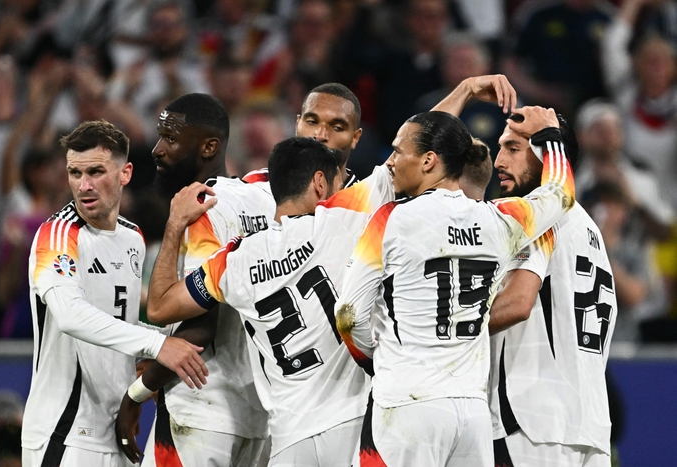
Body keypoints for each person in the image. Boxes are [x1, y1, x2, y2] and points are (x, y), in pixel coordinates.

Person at [334, 106, 575, 467]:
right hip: (472, 415)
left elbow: (348, 315)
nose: (391, 161)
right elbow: (561, 194)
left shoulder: (391, 218)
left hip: (406, 405)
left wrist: (376, 360)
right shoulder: (499, 220)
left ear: (429, 160)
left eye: (398, 151)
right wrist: (550, 137)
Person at [145, 137, 395, 466]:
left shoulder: (236, 260)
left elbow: (159, 308)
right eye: (337, 185)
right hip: (351, 424)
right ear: (320, 183)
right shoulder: (342, 220)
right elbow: (406, 157)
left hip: (288, 438)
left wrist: (175, 223)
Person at [21, 120, 208, 467]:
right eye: (75, 173)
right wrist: (157, 344)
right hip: (66, 432)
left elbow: (118, 320)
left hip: (117, 428)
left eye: (96, 172)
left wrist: (157, 349)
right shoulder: (58, 235)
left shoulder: (132, 238)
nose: (84, 186)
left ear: (125, 173)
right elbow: (70, 315)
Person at [117, 94, 274, 467]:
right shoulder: (261, 199)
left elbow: (199, 327)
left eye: (170, 139)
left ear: (208, 147)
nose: (156, 150)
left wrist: (136, 394)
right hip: (258, 414)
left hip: (201, 408)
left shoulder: (199, 209)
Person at [488, 109, 615, 466]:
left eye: (513, 149)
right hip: (589, 425)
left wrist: (442, 326)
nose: (499, 161)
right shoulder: (590, 229)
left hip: (531, 423)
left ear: (547, 154)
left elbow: (517, 303)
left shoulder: (539, 218)